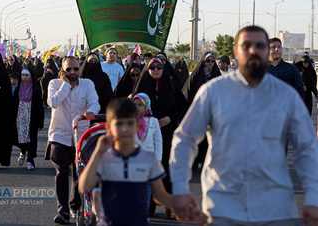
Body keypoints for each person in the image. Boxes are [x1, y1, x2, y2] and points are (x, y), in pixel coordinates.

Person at [170, 26, 318, 225]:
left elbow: (307, 148)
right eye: (246, 45)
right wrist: (179, 188)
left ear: (267, 51)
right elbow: (185, 139)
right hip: (223, 204)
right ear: (235, 51)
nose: (253, 50)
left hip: (274, 206)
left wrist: (313, 196)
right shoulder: (213, 92)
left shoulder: (286, 96)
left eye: (259, 45)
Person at [78, 98, 178, 226]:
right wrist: (98, 152)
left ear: (138, 126)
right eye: (119, 124)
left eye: (129, 123)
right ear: (109, 127)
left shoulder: (149, 159)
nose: (124, 129)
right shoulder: (104, 158)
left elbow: (160, 196)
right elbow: (84, 187)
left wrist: (182, 205)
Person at [44, 56, 100, 224]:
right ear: (63, 70)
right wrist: (66, 85)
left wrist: (90, 111)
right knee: (61, 171)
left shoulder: (87, 84)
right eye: (68, 69)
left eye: (75, 69)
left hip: (81, 136)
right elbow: (53, 102)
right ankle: (63, 212)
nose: (73, 72)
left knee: (78, 173)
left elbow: (95, 103)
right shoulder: (55, 84)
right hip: (59, 135)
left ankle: (75, 206)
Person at [132, 56, 188, 218]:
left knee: (166, 168)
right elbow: (133, 108)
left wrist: (171, 118)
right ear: (147, 69)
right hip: (145, 134)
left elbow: (183, 107)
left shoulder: (171, 85)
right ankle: (148, 205)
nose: (156, 70)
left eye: (159, 67)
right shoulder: (142, 85)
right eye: (152, 67)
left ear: (164, 68)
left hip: (167, 132)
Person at [181, 52, 221, 170]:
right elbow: (187, 92)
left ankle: (205, 162)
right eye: (207, 61)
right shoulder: (196, 75)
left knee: (209, 139)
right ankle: (194, 161)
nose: (210, 63)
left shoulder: (217, 75)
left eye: (212, 61)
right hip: (197, 112)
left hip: (212, 113)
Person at [132, 93, 163, 210]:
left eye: (140, 105)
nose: (137, 107)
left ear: (146, 106)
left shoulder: (154, 121)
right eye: (134, 105)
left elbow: (158, 141)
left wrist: (158, 159)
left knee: (147, 188)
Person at [11, 67, 44, 170]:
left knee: (31, 138)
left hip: (31, 117)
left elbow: (39, 107)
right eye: (23, 75)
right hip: (20, 117)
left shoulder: (35, 90)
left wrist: (40, 122)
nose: (24, 78)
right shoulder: (18, 89)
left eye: (26, 75)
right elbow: (13, 105)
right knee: (20, 137)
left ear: (31, 76)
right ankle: (22, 152)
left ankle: (30, 159)